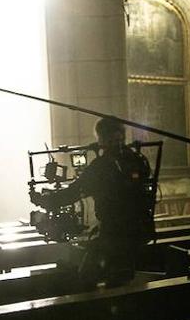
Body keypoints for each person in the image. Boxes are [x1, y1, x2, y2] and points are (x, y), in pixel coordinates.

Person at [31, 116, 155, 288]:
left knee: (86, 280)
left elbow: (71, 194)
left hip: (114, 235)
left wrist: (43, 200)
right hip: (138, 231)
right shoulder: (137, 160)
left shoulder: (100, 167)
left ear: (101, 139)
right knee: (126, 278)